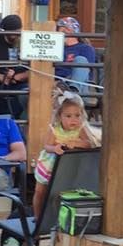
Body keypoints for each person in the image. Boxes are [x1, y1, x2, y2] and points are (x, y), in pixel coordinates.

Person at [32, 91, 98, 219]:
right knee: (40, 192)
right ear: (59, 116)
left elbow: (89, 144)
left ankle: (59, 218)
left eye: (77, 115)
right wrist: (55, 148)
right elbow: (46, 146)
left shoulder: (81, 128)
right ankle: (37, 216)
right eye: (68, 116)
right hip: (48, 165)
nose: (73, 120)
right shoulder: (54, 129)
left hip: (67, 167)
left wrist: (77, 143)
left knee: (60, 193)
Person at [54, 17, 96, 92]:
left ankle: (73, 90)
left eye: (65, 31)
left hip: (78, 85)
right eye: (59, 31)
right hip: (55, 83)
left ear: (74, 32)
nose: (61, 34)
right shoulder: (54, 48)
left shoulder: (85, 48)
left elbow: (86, 71)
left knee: (81, 60)